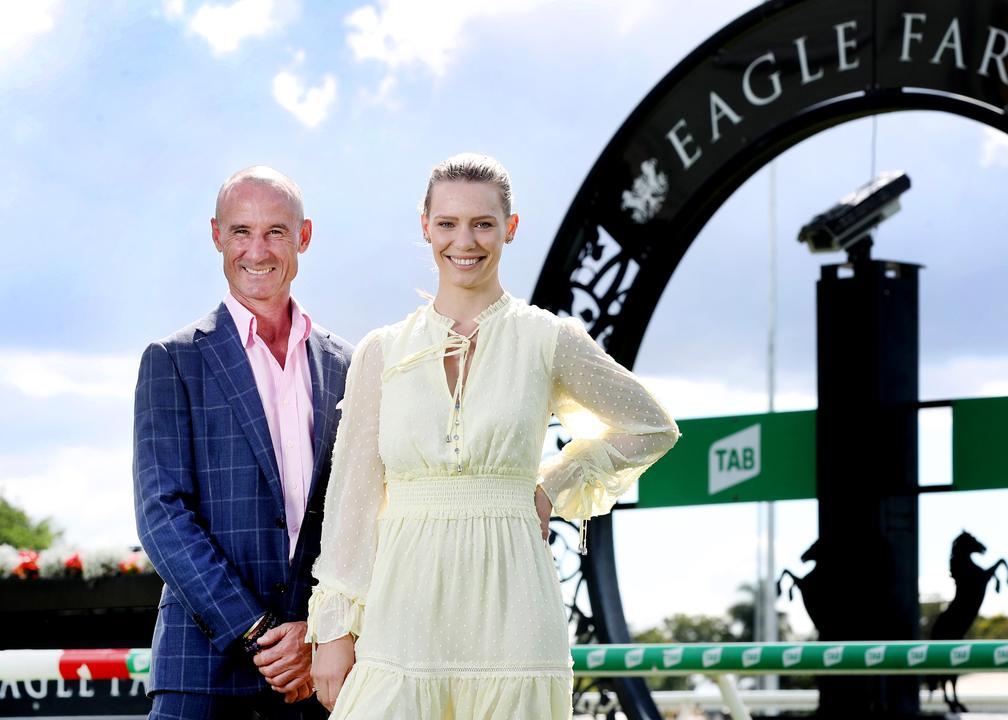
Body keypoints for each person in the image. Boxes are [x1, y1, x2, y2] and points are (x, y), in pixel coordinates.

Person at [307, 153, 679, 718]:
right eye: (448, 223)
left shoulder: (547, 338)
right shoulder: (382, 351)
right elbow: (352, 499)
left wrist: (554, 485)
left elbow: (651, 426)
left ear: (510, 228)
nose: (466, 241)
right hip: (403, 612)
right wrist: (335, 628)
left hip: (515, 606)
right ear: (425, 226)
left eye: (483, 223)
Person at [133, 166, 353, 718]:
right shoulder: (173, 361)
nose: (258, 250)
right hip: (202, 677)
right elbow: (162, 515)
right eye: (241, 231)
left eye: (276, 231)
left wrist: (317, 631)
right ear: (216, 236)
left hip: (313, 679)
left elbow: (359, 517)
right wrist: (259, 632)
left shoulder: (349, 366)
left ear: (304, 237)